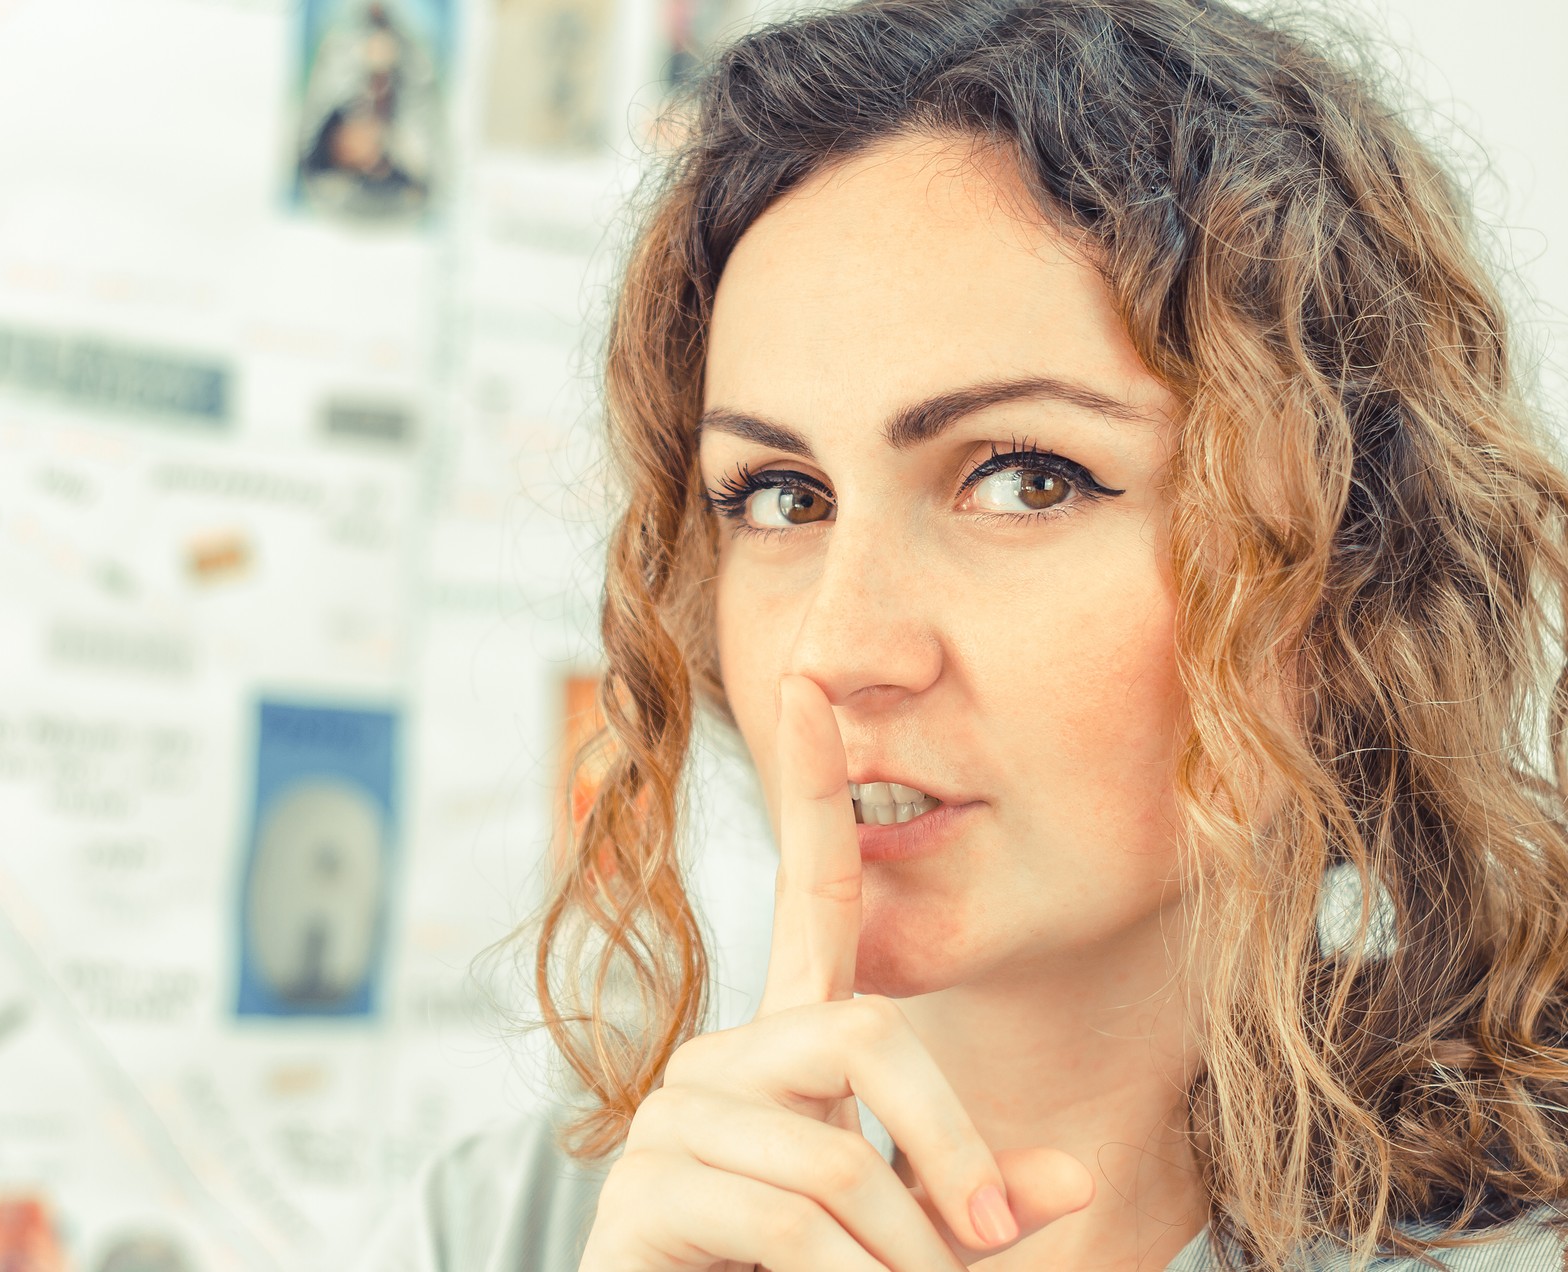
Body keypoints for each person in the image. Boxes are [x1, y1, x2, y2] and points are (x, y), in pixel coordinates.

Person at [357, 0, 1568, 1267]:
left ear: (1350, 570)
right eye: (779, 498)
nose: (841, 647)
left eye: (1026, 478)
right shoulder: (514, 1228)